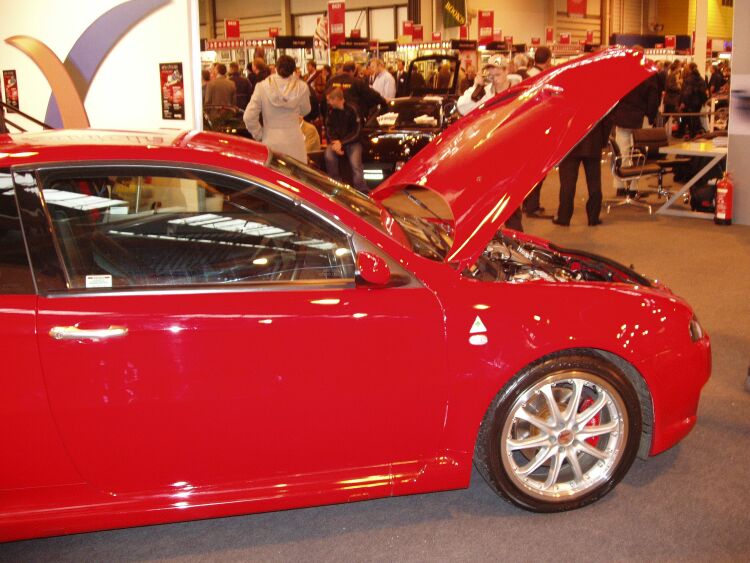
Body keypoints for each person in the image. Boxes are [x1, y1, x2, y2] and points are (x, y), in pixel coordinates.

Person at [456, 55, 523, 232]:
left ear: (507, 71)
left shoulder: (520, 91)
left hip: (512, 153)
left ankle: (517, 239)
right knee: (487, 201)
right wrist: (476, 86)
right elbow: (462, 107)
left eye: (498, 74)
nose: (494, 78)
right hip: (489, 153)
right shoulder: (484, 93)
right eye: (491, 74)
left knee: (511, 203)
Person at [243, 55, 310, 162]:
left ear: (276, 68)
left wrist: (259, 134)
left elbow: (248, 117)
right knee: (296, 177)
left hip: (271, 141)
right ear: (293, 69)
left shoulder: (262, 87)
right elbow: (306, 110)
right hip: (294, 141)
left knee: (272, 177)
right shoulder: (301, 87)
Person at [553, 114, 613, 227]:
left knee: (567, 183)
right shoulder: (597, 97)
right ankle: (593, 218)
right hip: (593, 142)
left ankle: (564, 217)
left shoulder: (565, 96)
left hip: (569, 143)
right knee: (594, 182)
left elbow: (558, 119)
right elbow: (607, 119)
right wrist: (602, 141)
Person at [612, 56, 659, 195]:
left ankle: (619, 186)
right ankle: (632, 188)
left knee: (621, 153)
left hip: (622, 118)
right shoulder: (648, 74)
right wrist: (651, 117)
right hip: (639, 118)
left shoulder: (621, 73)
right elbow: (653, 99)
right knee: (638, 155)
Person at [523, 46, 554, 217]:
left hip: (526, 128)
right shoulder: (544, 78)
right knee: (538, 170)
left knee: (529, 169)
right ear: (548, 60)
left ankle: (527, 202)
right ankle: (532, 205)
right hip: (539, 129)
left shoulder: (526, 76)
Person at [324, 87, 368, 192]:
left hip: (353, 142)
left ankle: (362, 190)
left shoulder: (353, 108)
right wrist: (335, 142)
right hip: (337, 142)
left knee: (355, 165)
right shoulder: (330, 111)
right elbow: (329, 128)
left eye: (329, 100)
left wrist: (341, 142)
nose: (328, 102)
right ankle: (336, 186)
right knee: (328, 156)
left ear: (336, 99)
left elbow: (357, 132)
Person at [680, 62, 708, 139]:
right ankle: (695, 133)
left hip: (690, 102)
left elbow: (687, 93)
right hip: (698, 103)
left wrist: (683, 102)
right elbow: (704, 91)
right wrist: (704, 101)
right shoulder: (701, 79)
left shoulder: (688, 80)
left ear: (689, 69)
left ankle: (692, 134)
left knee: (690, 118)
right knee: (695, 117)